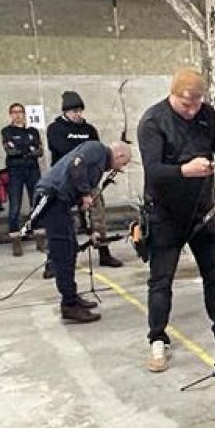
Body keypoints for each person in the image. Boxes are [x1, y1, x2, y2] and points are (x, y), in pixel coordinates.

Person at [136, 69, 215, 372]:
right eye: (184, 103)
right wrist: (185, 170)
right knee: (161, 280)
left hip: (202, 211)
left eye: (196, 103)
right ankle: (157, 339)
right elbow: (153, 171)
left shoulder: (207, 115)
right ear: (172, 94)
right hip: (165, 215)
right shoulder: (153, 121)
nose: (190, 109)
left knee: (214, 274)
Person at [27, 136, 132, 324]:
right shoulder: (97, 149)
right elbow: (76, 166)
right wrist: (84, 194)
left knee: (71, 249)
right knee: (64, 252)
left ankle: (72, 297)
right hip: (52, 198)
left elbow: (85, 202)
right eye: (122, 164)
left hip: (62, 202)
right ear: (119, 154)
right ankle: (68, 305)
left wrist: (89, 229)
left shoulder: (98, 167)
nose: (118, 170)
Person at [47, 90, 123, 269]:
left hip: (89, 181)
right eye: (74, 111)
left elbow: (96, 151)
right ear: (65, 112)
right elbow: (66, 152)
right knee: (60, 221)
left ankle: (104, 252)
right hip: (64, 183)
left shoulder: (89, 130)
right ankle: (53, 261)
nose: (78, 115)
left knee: (99, 216)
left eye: (80, 111)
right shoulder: (55, 129)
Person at [0, 102, 43, 251]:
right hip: (15, 171)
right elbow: (10, 151)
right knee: (15, 206)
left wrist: (21, 149)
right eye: (14, 112)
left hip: (33, 170)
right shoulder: (6, 131)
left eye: (20, 112)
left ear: (24, 114)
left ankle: (40, 238)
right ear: (10, 114)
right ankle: (15, 240)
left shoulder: (33, 131)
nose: (17, 115)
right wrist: (28, 149)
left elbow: (39, 151)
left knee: (37, 203)